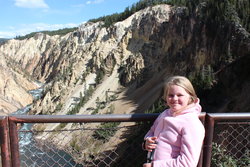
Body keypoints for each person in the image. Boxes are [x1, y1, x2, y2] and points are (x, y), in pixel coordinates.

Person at [142, 76, 205, 167]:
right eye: (171, 95)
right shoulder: (165, 114)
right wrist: (146, 142)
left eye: (180, 95)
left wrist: (154, 166)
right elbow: (152, 131)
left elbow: (188, 163)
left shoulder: (192, 123)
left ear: (190, 97)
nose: (175, 99)